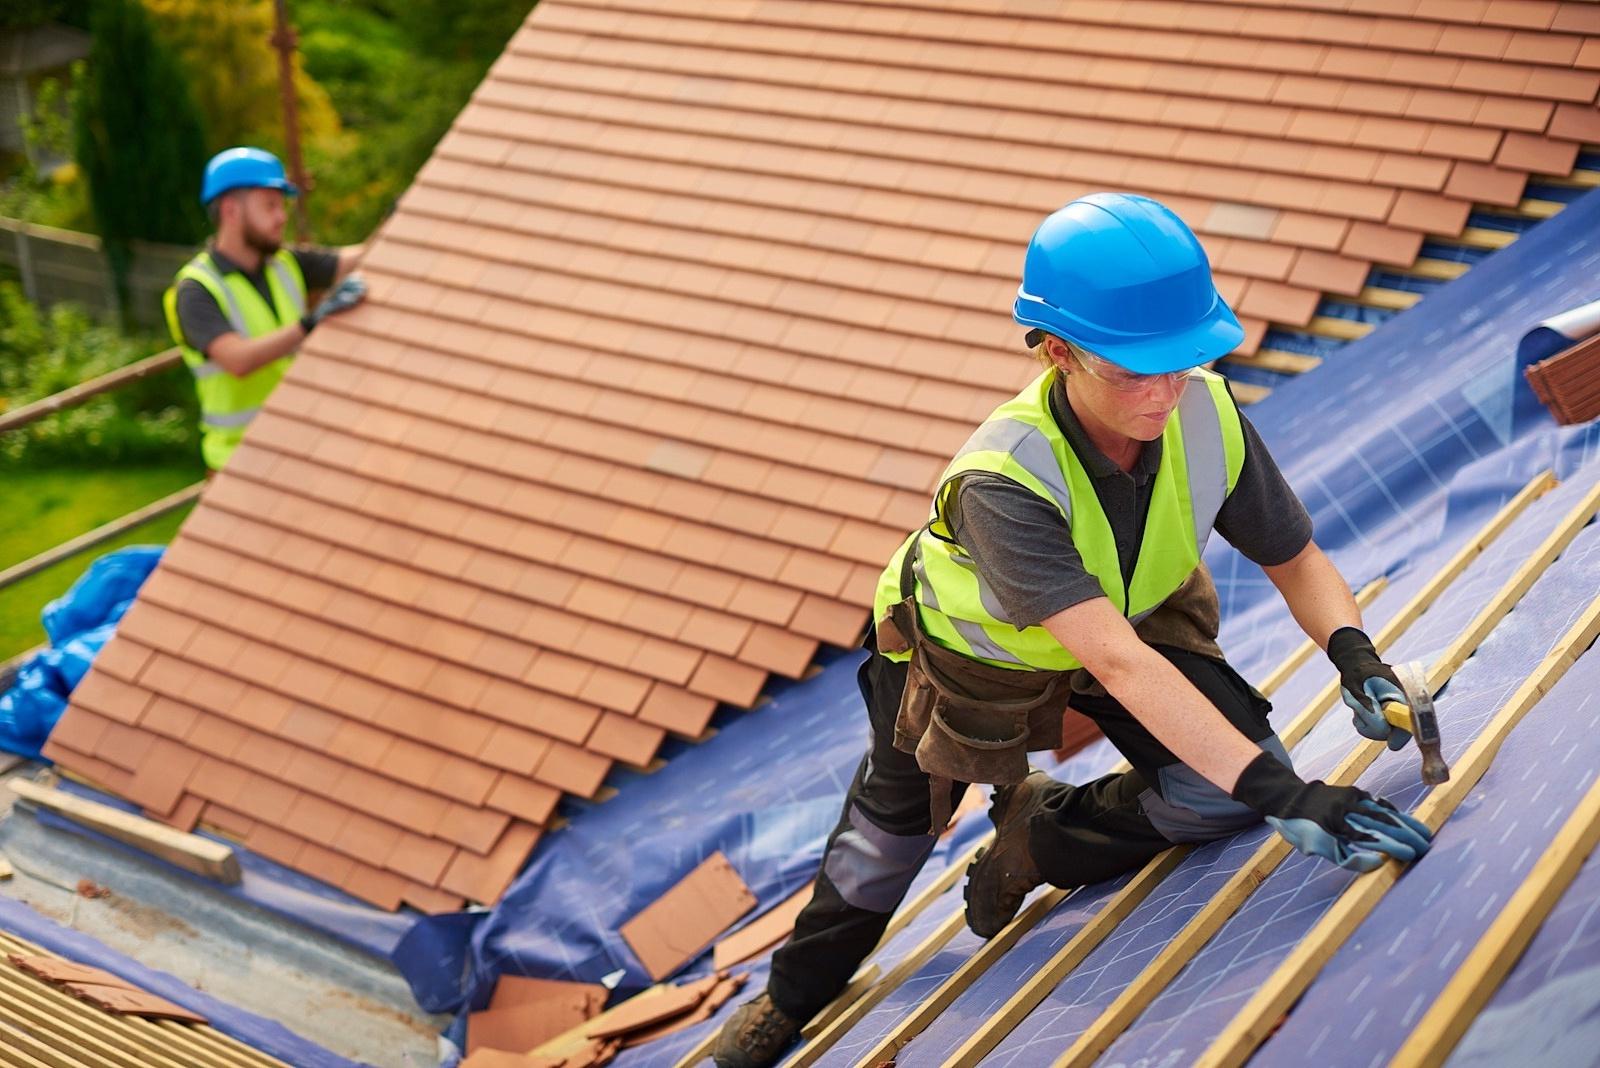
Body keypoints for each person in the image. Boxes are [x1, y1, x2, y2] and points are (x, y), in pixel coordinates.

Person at [712, 193, 1431, 1068]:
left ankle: (1034, 837)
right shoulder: (1004, 480)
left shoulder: (1203, 412)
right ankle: (788, 999)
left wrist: (1357, 659)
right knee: (886, 850)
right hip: (967, 662)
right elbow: (1118, 665)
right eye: (1134, 371)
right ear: (1059, 352)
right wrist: (1292, 801)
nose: (1167, 392)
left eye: (1184, 360)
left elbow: (1298, 559)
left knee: (1226, 789)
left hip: (1117, 625)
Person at [163, 146, 368, 471]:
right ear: (231, 210)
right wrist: (311, 323)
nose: (282, 217)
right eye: (270, 205)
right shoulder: (195, 289)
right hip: (239, 463)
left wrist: (400, 220)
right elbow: (238, 359)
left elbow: (359, 259)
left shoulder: (284, 263)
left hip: (298, 446)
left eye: (282, 206)